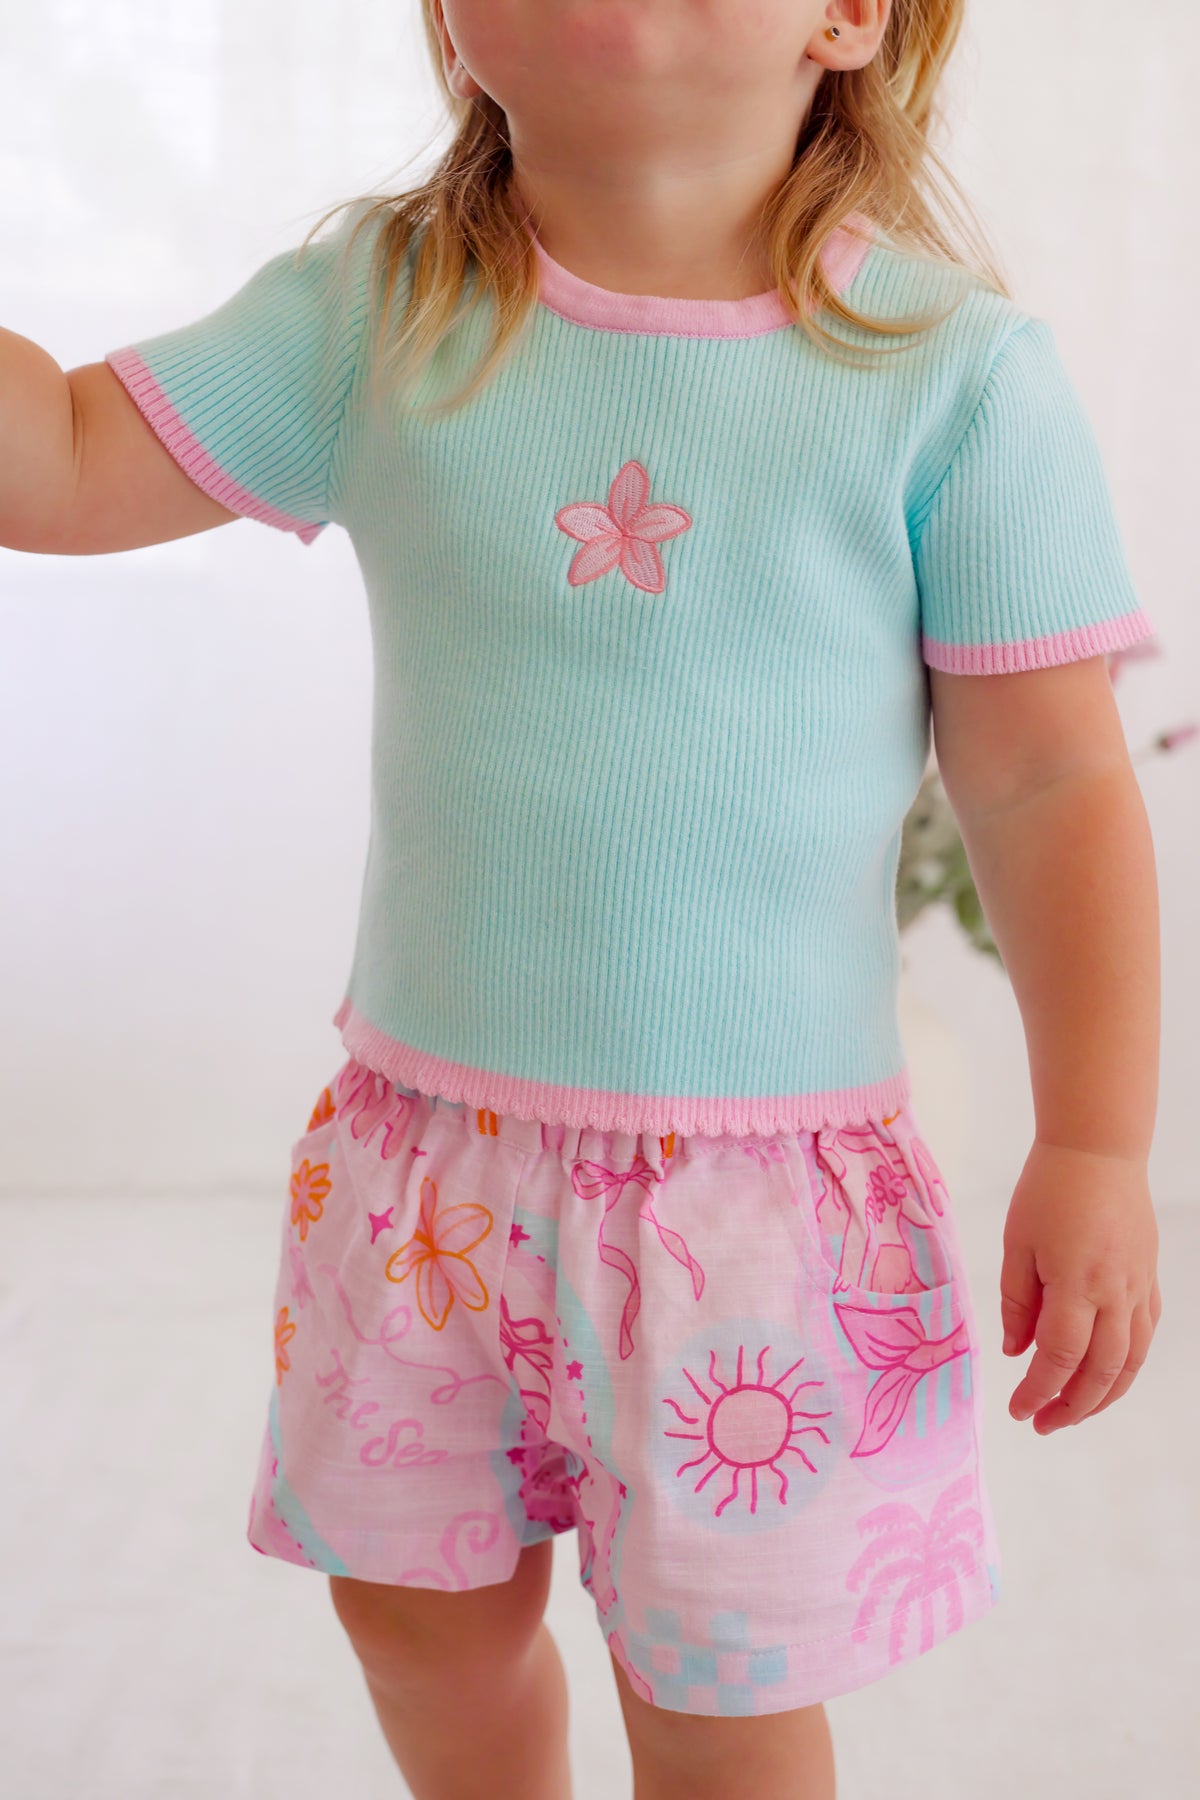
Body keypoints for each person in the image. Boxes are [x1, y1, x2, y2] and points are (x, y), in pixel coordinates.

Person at [1, 3, 1164, 1796]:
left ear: (849, 16)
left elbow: (1050, 786)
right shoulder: (383, 309)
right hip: (426, 1177)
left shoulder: (951, 375)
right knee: (415, 1623)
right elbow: (66, 459)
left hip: (755, 1219)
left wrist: (1094, 1141)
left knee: (718, 1695)